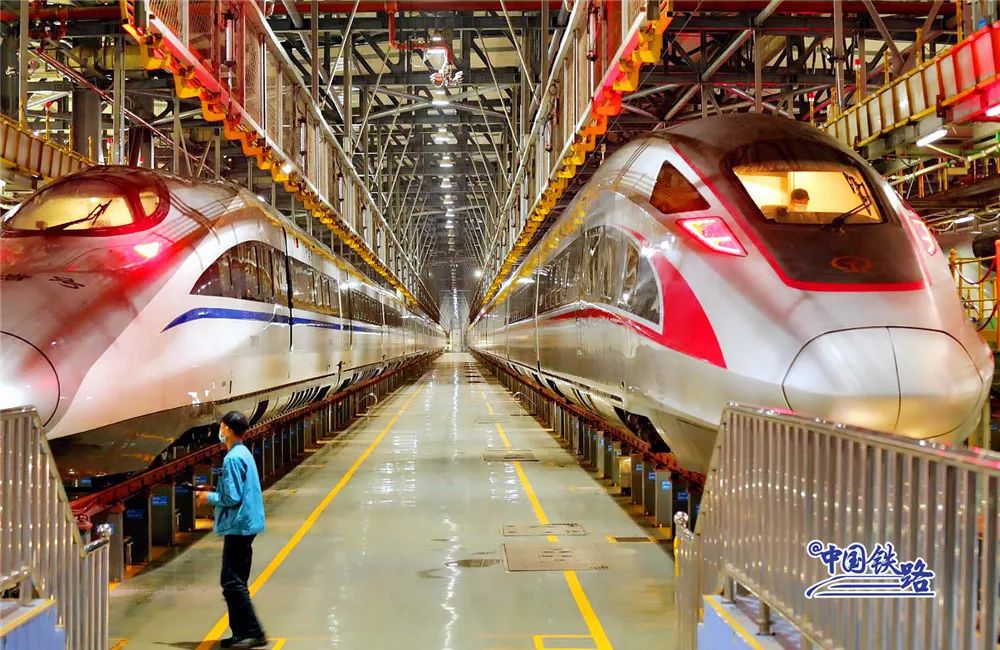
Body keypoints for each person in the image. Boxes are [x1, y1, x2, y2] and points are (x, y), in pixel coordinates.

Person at [196, 411, 267, 649]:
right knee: (235, 582)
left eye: (221, 426)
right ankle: (240, 632)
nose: (219, 430)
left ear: (226, 428)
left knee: (232, 582)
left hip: (239, 525)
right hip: (245, 523)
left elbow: (232, 497)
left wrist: (208, 497)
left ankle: (254, 633)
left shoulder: (233, 458)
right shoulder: (243, 453)